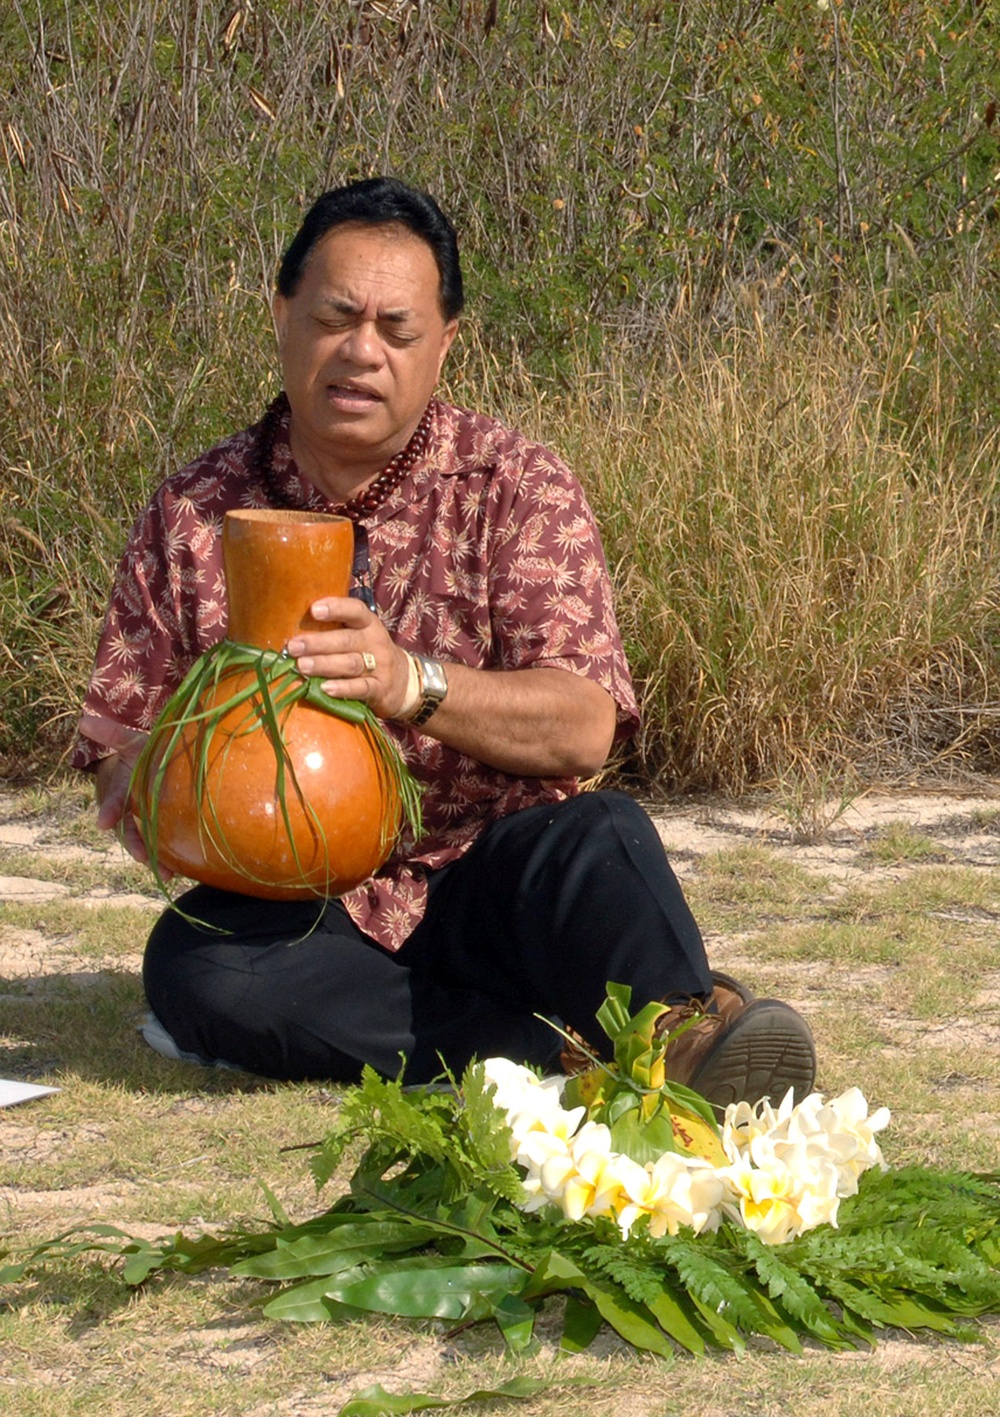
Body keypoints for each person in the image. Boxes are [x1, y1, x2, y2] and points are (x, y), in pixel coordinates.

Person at [74, 176, 816, 1106]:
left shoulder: (515, 483)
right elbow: (119, 757)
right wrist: (189, 785)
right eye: (337, 317)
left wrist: (409, 682)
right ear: (282, 313)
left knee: (601, 836)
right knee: (199, 970)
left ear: (446, 344)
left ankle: (675, 1030)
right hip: (304, 913)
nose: (361, 352)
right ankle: (565, 1054)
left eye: (397, 328)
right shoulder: (195, 509)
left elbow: (584, 725)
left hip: (491, 871)